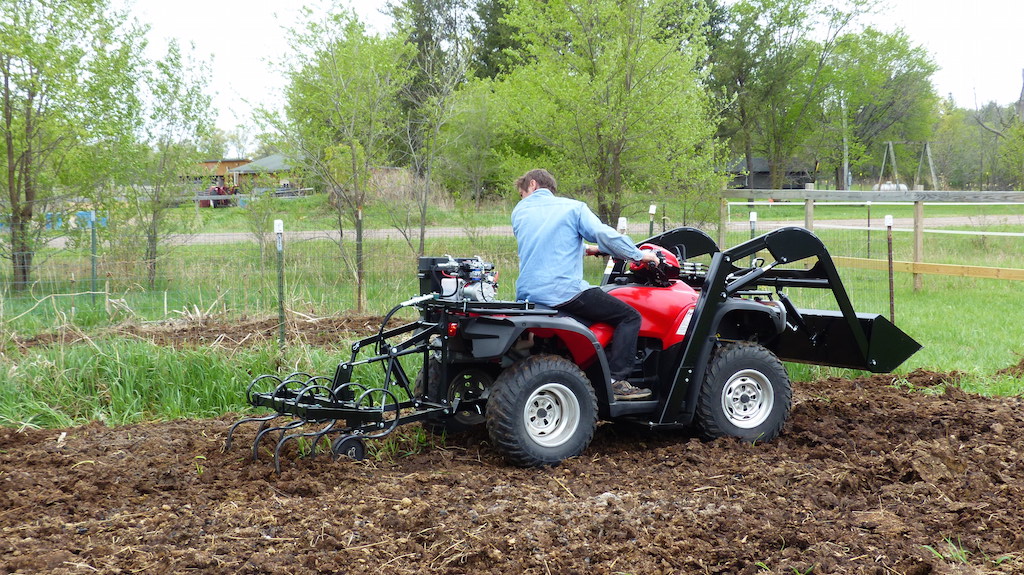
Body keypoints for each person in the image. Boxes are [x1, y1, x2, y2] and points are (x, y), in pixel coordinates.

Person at [512, 168, 659, 401]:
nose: (522, 198)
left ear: (532, 185)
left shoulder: (519, 212)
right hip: (563, 292)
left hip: (529, 294)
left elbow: (545, 242)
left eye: (521, 193)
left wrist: (587, 249)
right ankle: (615, 380)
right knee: (629, 317)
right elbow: (604, 234)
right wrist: (638, 256)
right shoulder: (573, 208)